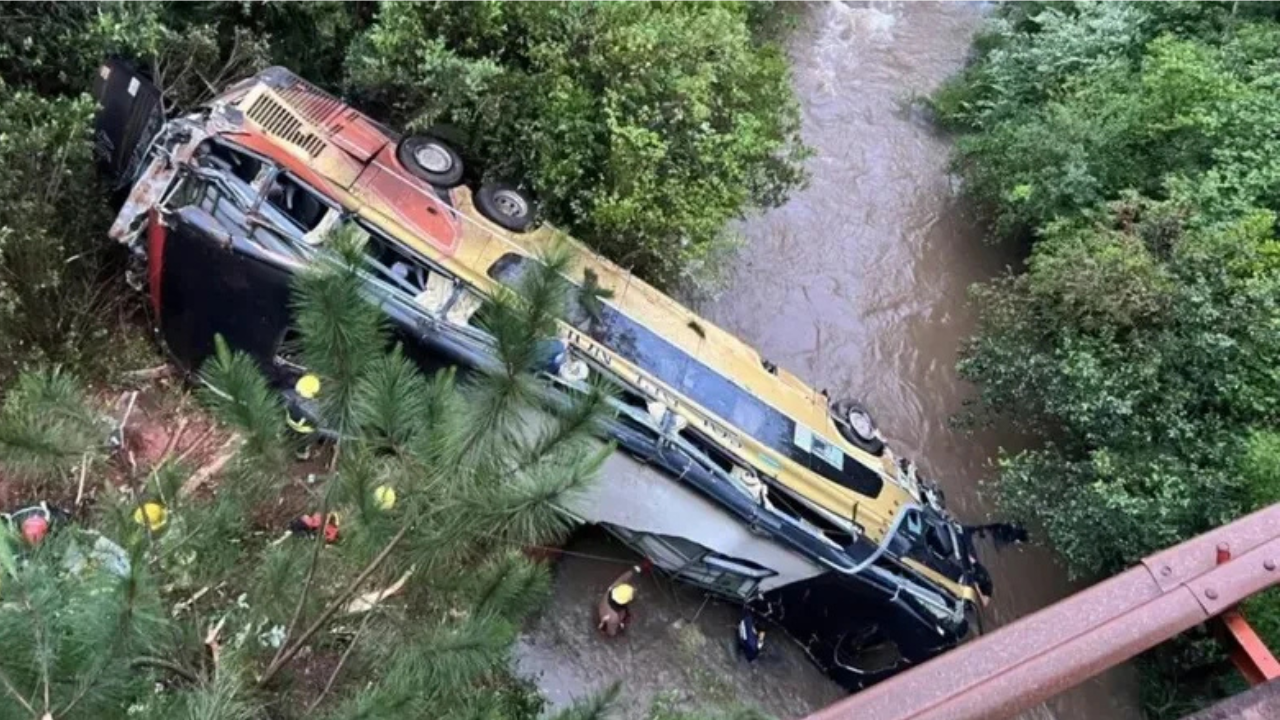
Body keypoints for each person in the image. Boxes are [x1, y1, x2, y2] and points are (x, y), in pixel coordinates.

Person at [597, 564, 643, 636]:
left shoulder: (611, 589)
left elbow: (622, 579)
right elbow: (612, 633)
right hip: (609, 618)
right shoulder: (614, 618)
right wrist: (621, 630)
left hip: (604, 608)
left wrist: (634, 570)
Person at [286, 373, 321, 460]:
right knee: (303, 444)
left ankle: (294, 446)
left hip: (291, 424)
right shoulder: (310, 409)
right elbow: (318, 422)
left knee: (293, 436)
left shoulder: (292, 398)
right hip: (306, 431)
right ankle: (302, 456)